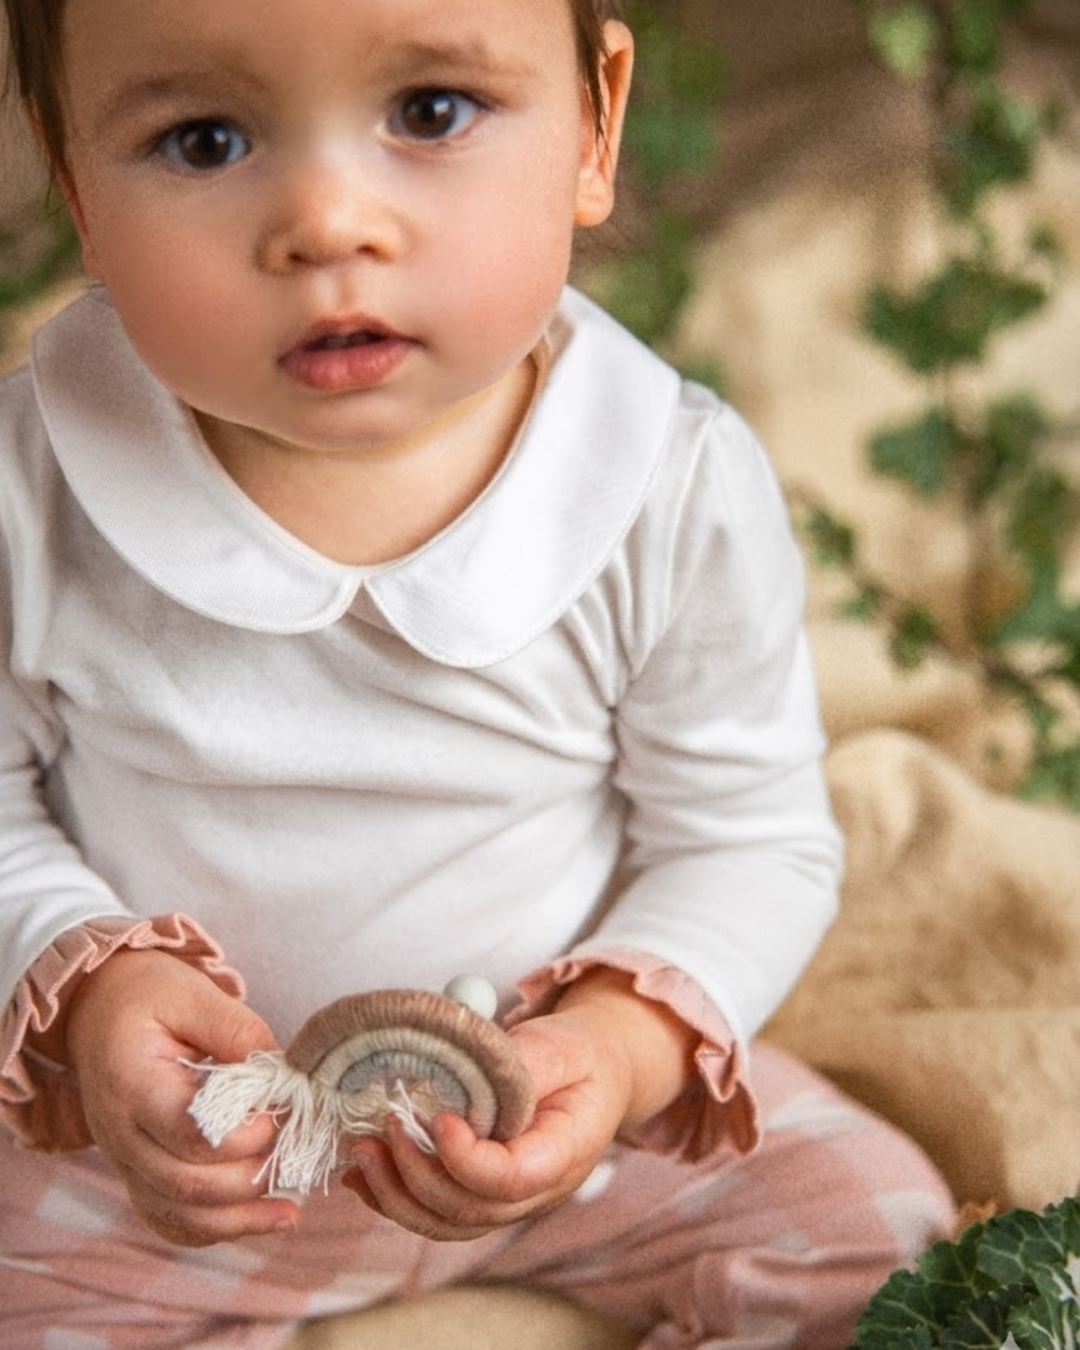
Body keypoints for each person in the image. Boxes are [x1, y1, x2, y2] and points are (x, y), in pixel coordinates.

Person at [0, 0, 956, 1345]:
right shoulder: (35, 482)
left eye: (432, 112)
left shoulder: (662, 485)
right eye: (204, 138)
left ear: (593, 122)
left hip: (562, 1141)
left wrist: (615, 1054)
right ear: (75, 178)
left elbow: (749, 837)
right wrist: (89, 986)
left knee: (881, 1230)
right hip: (167, 1170)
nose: (330, 223)